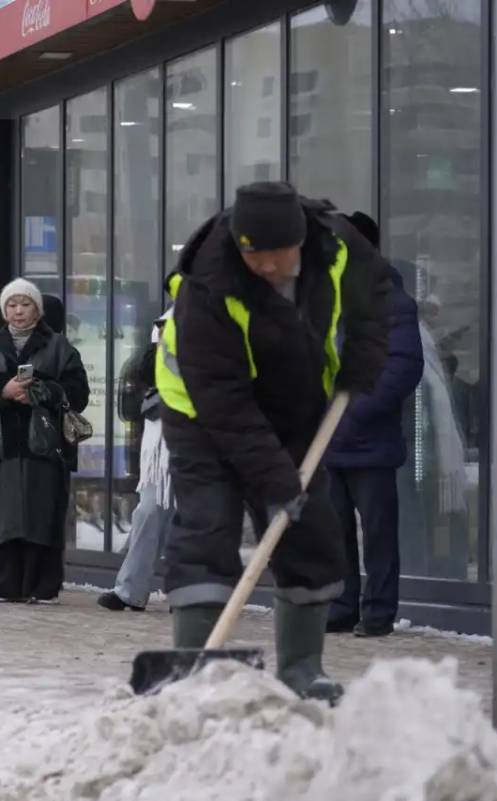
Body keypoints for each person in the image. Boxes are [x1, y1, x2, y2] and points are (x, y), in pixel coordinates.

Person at [156, 181, 388, 701]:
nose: (263, 265)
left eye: (274, 254)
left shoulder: (339, 246)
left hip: (296, 408)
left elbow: (375, 296)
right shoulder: (209, 284)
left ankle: (303, 668)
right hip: (200, 413)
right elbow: (225, 404)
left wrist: (365, 354)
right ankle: (193, 674)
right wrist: (276, 479)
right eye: (251, 254)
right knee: (207, 526)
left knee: (310, 529)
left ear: (299, 240)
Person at [324, 212, 423, 637]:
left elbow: (403, 367)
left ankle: (379, 612)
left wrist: (352, 410)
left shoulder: (392, 303)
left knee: (378, 532)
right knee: (335, 531)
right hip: (327, 441)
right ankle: (342, 606)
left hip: (368, 440)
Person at [0, 279, 90, 603]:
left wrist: (45, 391)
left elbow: (78, 392)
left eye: (25, 304)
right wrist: (2, 392)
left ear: (38, 310)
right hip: (4, 447)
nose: (18, 311)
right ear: (4, 310)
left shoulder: (59, 347)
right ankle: (6, 586)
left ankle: (43, 587)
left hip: (45, 446)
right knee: (5, 516)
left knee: (41, 514)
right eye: (12, 305)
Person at [98, 309, 175, 612]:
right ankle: (130, 590)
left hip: (202, 439)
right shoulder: (166, 323)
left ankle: (187, 594)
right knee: (148, 511)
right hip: (160, 448)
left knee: (194, 521)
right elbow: (144, 375)